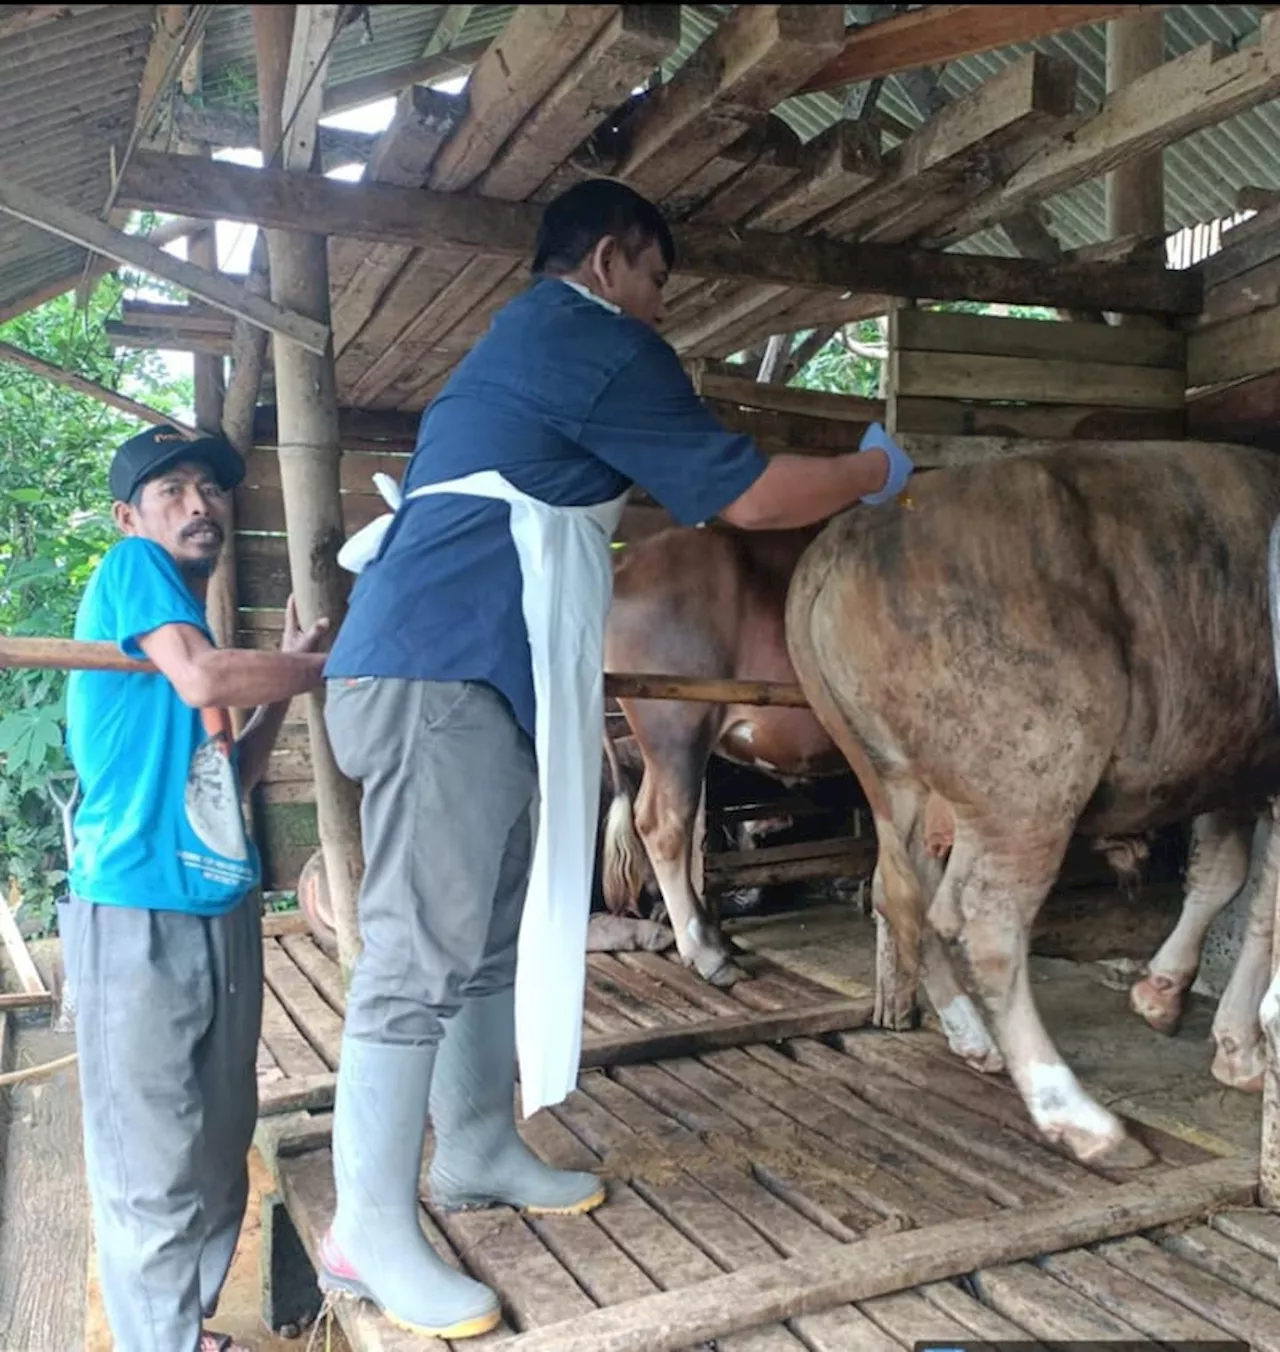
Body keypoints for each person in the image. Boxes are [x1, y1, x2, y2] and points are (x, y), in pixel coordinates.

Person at [318, 178, 914, 1339]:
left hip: (467, 666)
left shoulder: (524, 342)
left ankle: (477, 1145)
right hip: (444, 668)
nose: (657, 308)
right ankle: (366, 1228)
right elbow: (742, 494)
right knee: (414, 959)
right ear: (607, 260)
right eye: (654, 278)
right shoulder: (590, 340)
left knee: (487, 932)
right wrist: (866, 473)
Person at [60, 424, 332, 1352]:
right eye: (172, 488)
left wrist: (289, 679)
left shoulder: (187, 625)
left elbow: (234, 777)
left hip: (221, 907)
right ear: (130, 513)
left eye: (211, 489)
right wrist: (327, 665)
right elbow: (202, 677)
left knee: (219, 1143)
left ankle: (185, 1326)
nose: (199, 503)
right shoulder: (132, 568)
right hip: (135, 908)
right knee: (151, 1156)